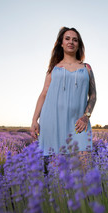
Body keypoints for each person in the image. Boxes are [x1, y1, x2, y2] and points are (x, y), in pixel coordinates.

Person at [30, 27, 97, 156]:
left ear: (79, 45)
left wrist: (86, 116)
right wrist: (34, 120)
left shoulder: (86, 68)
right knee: (57, 172)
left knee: (84, 169)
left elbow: (93, 96)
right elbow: (44, 94)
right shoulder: (54, 68)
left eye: (75, 40)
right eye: (67, 39)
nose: (71, 42)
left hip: (79, 123)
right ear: (61, 43)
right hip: (53, 121)